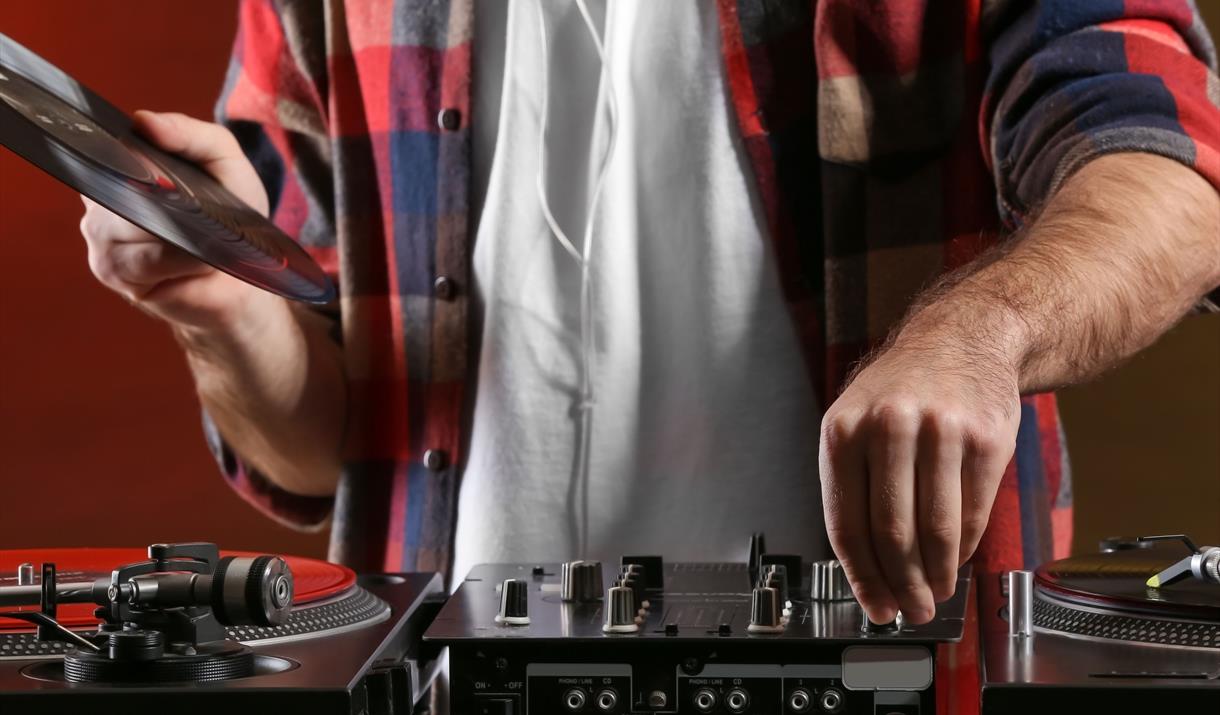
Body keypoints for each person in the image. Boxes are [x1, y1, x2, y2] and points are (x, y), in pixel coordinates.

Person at [79, 0, 1220, 627]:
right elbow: (324, 452)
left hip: (881, 661)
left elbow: (1172, 174)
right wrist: (220, 306)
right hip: (434, 663)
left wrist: (976, 328)